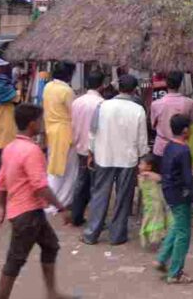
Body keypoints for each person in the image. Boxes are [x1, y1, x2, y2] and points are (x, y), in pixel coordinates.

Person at [0, 104, 73, 299]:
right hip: (27, 213)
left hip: (24, 211)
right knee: (15, 260)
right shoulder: (32, 150)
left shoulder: (10, 148)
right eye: (40, 120)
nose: (42, 123)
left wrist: (1, 205)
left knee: (50, 245)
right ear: (32, 124)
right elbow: (40, 186)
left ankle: (52, 293)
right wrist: (62, 208)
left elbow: (1, 182)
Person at [83, 74, 149, 246]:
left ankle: (91, 234)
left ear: (119, 88)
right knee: (123, 197)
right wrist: (143, 158)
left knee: (100, 195)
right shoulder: (138, 110)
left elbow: (93, 131)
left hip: (104, 155)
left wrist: (91, 151)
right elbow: (142, 139)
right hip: (127, 159)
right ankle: (117, 235)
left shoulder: (103, 105)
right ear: (135, 90)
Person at [156, 113, 193, 285]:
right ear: (185, 130)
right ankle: (175, 272)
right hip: (180, 195)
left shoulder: (170, 146)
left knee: (177, 226)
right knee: (183, 234)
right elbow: (188, 179)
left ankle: (162, 258)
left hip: (169, 191)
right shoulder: (184, 150)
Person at [69, 70, 105, 227]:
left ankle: (76, 215)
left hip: (80, 146)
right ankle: (94, 219)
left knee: (81, 181)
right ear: (102, 86)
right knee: (96, 185)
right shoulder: (101, 103)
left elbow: (73, 124)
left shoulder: (77, 101)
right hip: (95, 149)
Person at [43, 61, 77, 208]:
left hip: (51, 129)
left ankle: (54, 198)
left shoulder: (48, 86)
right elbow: (73, 113)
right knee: (67, 169)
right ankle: (61, 200)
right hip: (65, 131)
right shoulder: (67, 91)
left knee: (54, 166)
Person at [150, 71, 193, 159]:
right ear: (180, 84)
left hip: (161, 148)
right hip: (181, 147)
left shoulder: (156, 104)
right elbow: (192, 123)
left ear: (166, 84)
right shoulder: (189, 103)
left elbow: (153, 126)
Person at [137, 154, 170, 250]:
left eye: (141, 164)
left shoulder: (150, 176)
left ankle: (155, 239)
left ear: (149, 167)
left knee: (154, 220)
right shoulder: (145, 176)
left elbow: (160, 179)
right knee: (152, 219)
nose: (139, 166)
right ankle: (156, 238)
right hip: (149, 204)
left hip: (155, 204)